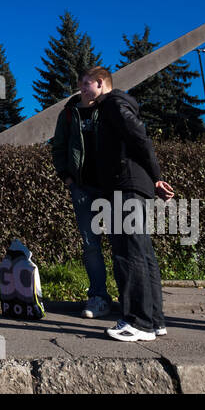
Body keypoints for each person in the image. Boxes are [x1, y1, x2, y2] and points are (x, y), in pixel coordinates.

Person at [74, 66, 174, 342]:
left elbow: (139, 137)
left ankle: (137, 322)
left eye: (85, 85)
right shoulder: (115, 105)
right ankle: (154, 321)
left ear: (100, 83)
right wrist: (154, 178)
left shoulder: (113, 105)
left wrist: (157, 177)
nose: (82, 90)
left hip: (124, 187)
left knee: (127, 255)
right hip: (130, 186)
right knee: (142, 254)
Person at [51, 86, 114, 320]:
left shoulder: (109, 110)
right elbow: (58, 148)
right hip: (82, 188)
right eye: (83, 83)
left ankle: (130, 297)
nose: (87, 88)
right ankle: (99, 297)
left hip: (111, 187)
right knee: (90, 245)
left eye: (92, 83)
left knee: (121, 244)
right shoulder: (68, 114)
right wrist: (67, 178)